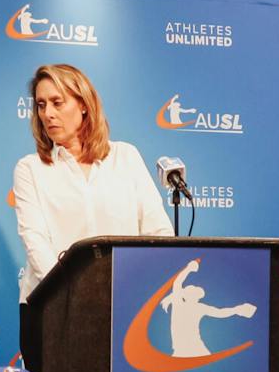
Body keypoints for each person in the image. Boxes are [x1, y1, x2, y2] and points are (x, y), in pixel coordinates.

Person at [12, 63, 172, 300]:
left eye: (57, 103)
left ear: (84, 105)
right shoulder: (30, 169)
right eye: (41, 105)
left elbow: (158, 232)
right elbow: (36, 243)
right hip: (55, 303)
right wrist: (74, 294)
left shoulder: (125, 156)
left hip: (123, 300)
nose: (47, 114)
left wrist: (142, 286)